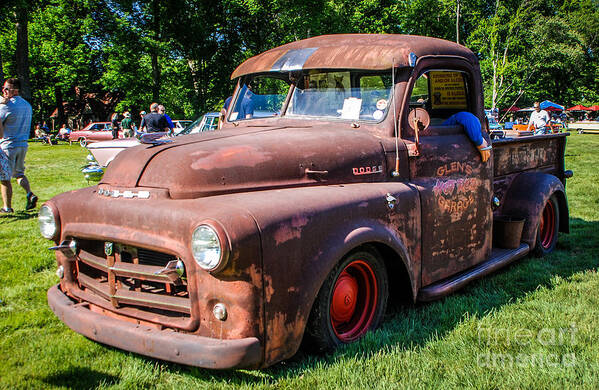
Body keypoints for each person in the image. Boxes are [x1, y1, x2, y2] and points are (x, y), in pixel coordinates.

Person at [0, 78, 38, 213]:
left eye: (6, 89)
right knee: (19, 174)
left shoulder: (6, 105)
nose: (3, 91)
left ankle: (7, 207)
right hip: (23, 144)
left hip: (8, 145)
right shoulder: (27, 105)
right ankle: (29, 194)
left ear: (14, 90)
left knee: (4, 178)